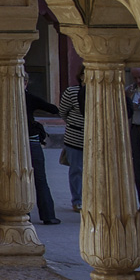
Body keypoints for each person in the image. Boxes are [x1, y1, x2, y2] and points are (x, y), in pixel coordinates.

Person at [24, 77, 60, 224]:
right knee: (40, 179)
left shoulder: (1, 98)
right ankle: (48, 215)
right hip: (31, 142)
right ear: (25, 82)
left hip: (13, 145)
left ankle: (22, 213)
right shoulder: (29, 97)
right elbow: (53, 109)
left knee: (19, 178)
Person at [58, 69, 85, 212]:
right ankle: (77, 200)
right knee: (77, 169)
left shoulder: (97, 90)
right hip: (75, 137)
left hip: (93, 137)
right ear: (81, 76)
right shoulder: (71, 92)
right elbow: (63, 111)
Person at [125, 67, 140, 195]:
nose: (138, 81)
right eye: (135, 78)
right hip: (135, 128)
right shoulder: (130, 90)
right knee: (137, 166)